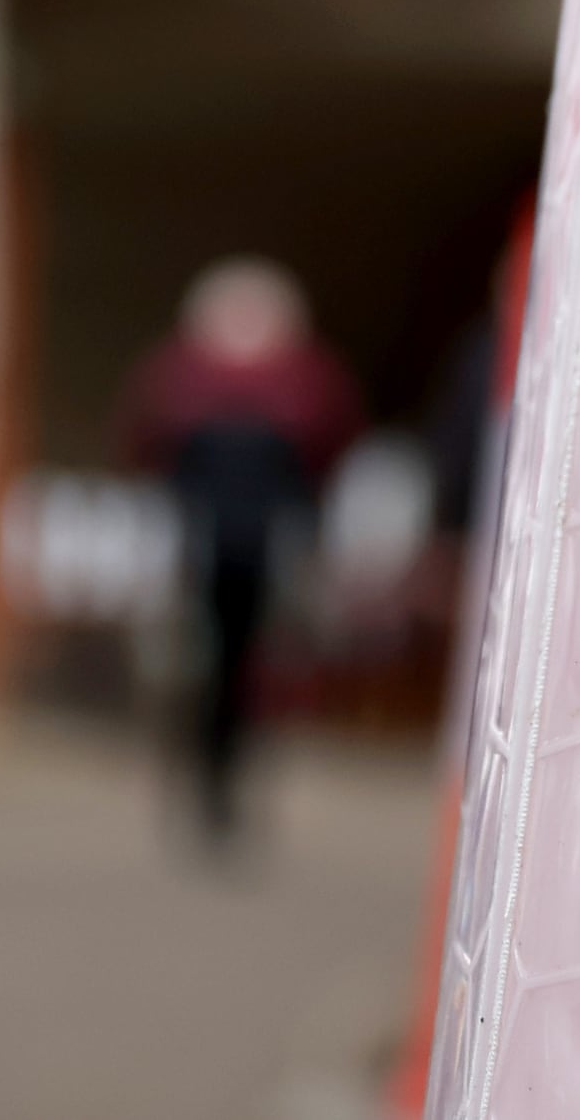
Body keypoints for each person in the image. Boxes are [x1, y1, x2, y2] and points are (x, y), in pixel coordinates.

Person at [118, 257, 360, 853]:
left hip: (248, 551)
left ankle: (217, 783)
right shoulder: (292, 379)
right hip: (212, 550)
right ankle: (211, 782)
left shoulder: (197, 375)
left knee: (238, 669)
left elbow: (140, 440)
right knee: (221, 668)